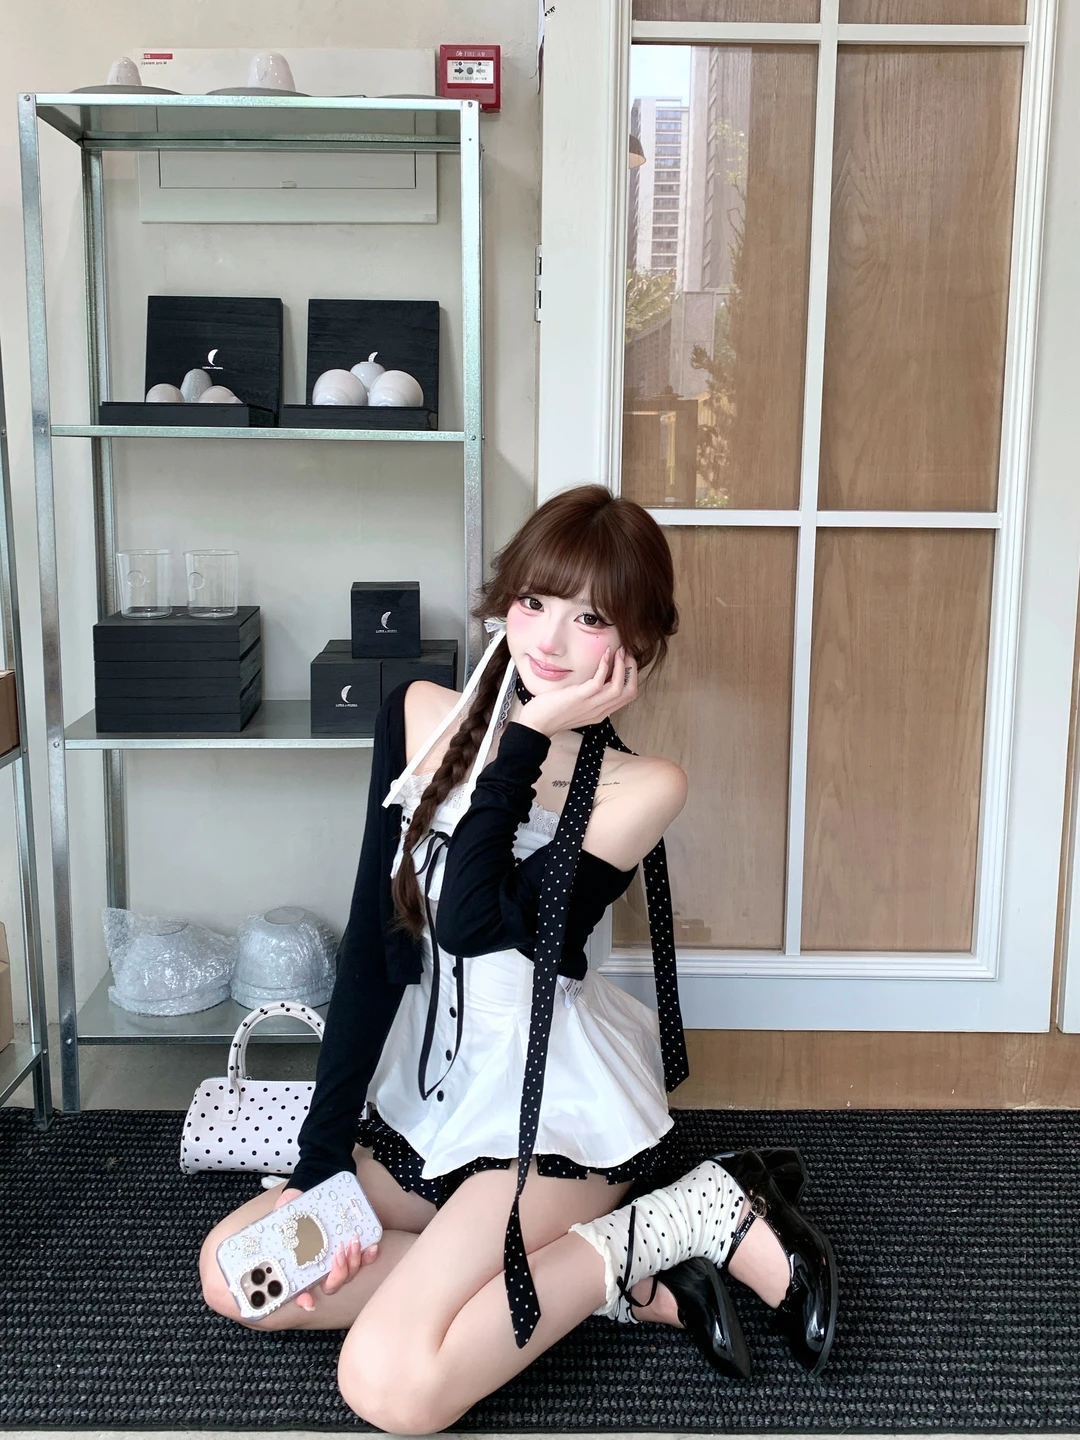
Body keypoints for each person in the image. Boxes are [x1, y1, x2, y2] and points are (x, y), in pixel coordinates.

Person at [199, 484, 838, 1431]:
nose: (547, 640)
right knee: (237, 1274)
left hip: (549, 1122)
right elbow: (376, 948)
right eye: (534, 601)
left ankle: (689, 1212)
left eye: (591, 619)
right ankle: (626, 1279)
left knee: (388, 1385)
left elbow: (470, 922)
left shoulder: (640, 788)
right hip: (427, 1106)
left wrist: (527, 735)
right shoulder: (418, 714)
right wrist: (323, 1160)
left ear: (637, 646)